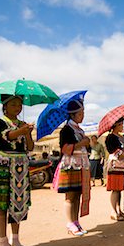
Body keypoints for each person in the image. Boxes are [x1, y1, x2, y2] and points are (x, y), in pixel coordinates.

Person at [0, 95, 34, 246]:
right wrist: (22, 130)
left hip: (20, 166)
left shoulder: (22, 125)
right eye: (13, 104)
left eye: (20, 104)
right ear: (5, 106)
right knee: (2, 205)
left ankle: (16, 239)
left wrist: (27, 133)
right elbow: (6, 137)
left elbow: (30, 146)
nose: (17, 107)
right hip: (4, 165)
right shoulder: (0, 122)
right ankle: (3, 242)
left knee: (18, 204)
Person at [53, 99, 91, 236]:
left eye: (83, 113)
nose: (82, 116)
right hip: (70, 165)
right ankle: (70, 223)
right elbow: (65, 148)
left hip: (80, 165)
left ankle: (76, 222)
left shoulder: (79, 129)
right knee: (70, 196)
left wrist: (86, 143)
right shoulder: (66, 130)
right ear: (73, 115)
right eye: (80, 113)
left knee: (77, 195)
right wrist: (82, 143)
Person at [105, 118, 124, 220]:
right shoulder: (110, 138)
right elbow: (114, 152)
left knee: (120, 188)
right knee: (115, 189)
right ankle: (113, 211)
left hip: (122, 164)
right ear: (116, 125)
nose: (122, 126)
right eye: (121, 124)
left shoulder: (120, 137)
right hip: (115, 164)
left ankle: (119, 210)